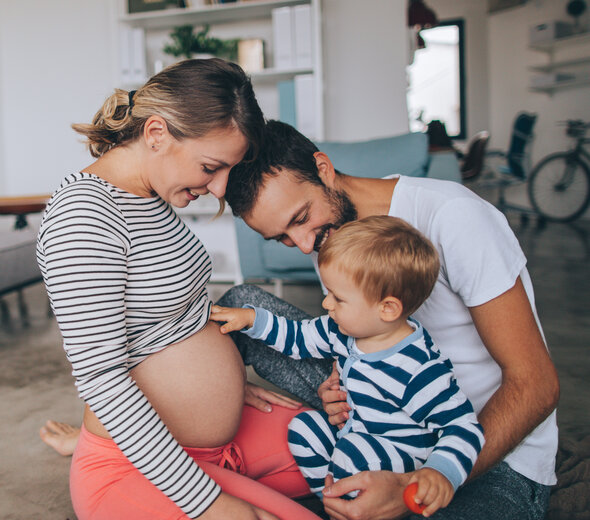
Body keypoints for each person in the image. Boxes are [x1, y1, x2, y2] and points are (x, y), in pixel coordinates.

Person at [217, 119, 560, 520]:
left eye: (299, 218)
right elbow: (357, 331)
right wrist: (336, 377)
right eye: (283, 238)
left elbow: (536, 384)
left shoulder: (453, 217)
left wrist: (417, 484)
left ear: (324, 169)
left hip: (485, 451)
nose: (304, 245)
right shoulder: (327, 231)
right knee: (239, 306)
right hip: (381, 418)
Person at [36, 61, 321, 520]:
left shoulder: (149, 193)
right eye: (211, 167)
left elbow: (166, 322)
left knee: (351, 456)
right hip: (136, 466)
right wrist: (210, 504)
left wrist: (221, 388)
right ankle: (92, 457)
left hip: (213, 438)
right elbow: (102, 379)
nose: (221, 188)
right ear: (156, 134)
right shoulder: (84, 219)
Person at [210, 215, 485, 517]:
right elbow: (298, 337)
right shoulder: (342, 330)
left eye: (338, 298)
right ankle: (336, 503)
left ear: (387, 308)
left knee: (352, 454)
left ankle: (351, 500)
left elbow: (462, 426)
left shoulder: (417, 369)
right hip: (355, 434)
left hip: (399, 457)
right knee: (303, 429)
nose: (326, 304)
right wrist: (251, 320)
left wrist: (440, 472)